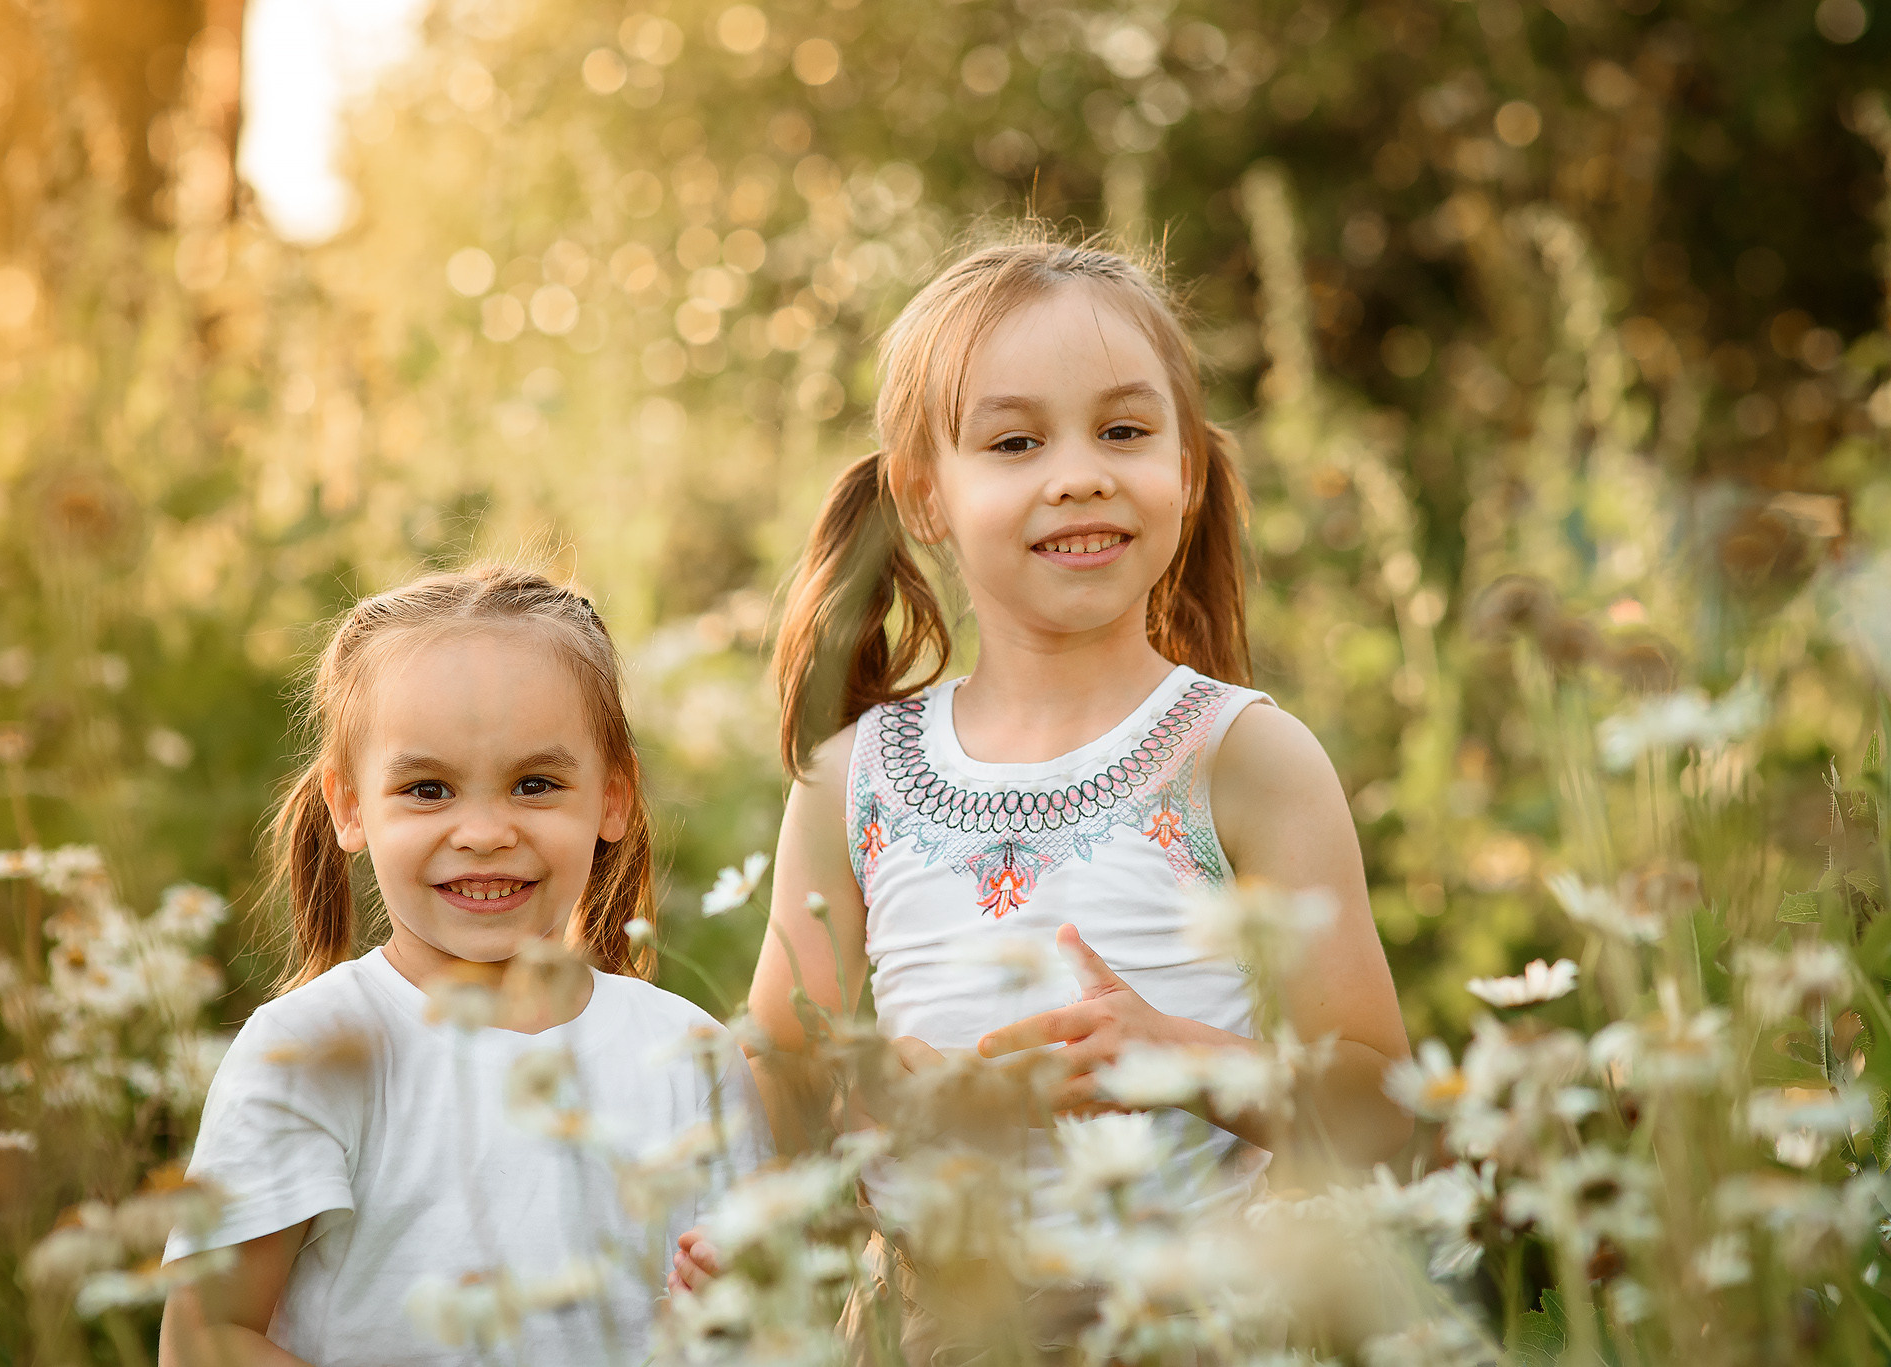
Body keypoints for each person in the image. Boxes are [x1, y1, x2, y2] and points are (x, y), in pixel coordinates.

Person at [748, 237, 1412, 1209]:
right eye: (1015, 442)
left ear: (1184, 470)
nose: (1078, 475)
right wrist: (882, 1099)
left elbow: (1380, 1111)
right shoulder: (853, 778)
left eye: (1123, 431)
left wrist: (1179, 1057)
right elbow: (775, 1076)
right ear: (923, 495)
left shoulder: (1240, 755)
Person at [157, 564, 766, 1367]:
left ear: (613, 797)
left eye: (535, 783)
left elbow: (759, 1317)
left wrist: (736, 1313)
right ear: (350, 807)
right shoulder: (312, 1047)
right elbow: (203, 1339)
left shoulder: (687, 1054)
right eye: (429, 788)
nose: (483, 831)